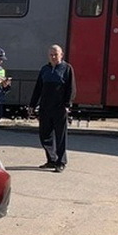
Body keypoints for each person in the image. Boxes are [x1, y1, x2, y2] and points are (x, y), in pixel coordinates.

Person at [29, 43, 77, 172]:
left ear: (61, 55)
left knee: (60, 136)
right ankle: (51, 160)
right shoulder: (45, 69)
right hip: (45, 107)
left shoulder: (67, 68)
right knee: (44, 135)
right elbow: (38, 88)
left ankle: (61, 162)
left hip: (60, 108)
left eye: (56, 54)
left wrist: (67, 105)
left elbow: (71, 88)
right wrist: (32, 105)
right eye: (51, 55)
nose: (53, 57)